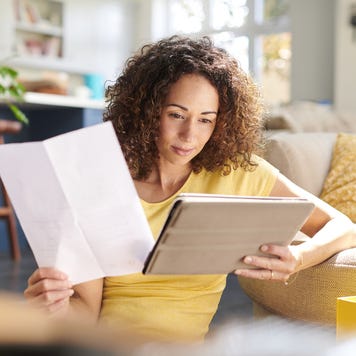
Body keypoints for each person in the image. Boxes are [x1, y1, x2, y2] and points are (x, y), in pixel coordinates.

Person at [24, 36, 356, 343]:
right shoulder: (100, 179)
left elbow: (343, 227)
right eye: (176, 115)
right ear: (147, 111)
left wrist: (298, 257)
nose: (189, 136)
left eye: (205, 120)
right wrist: (55, 307)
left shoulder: (237, 172)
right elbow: (86, 313)